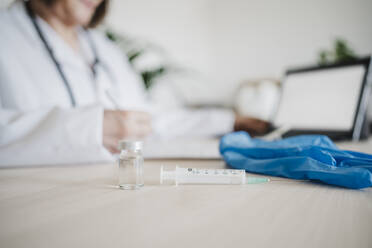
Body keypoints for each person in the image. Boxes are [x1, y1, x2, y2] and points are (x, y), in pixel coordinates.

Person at [0, 0, 269, 166]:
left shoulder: (102, 48)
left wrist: (227, 121)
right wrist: (87, 129)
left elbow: (144, 119)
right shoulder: (6, 34)